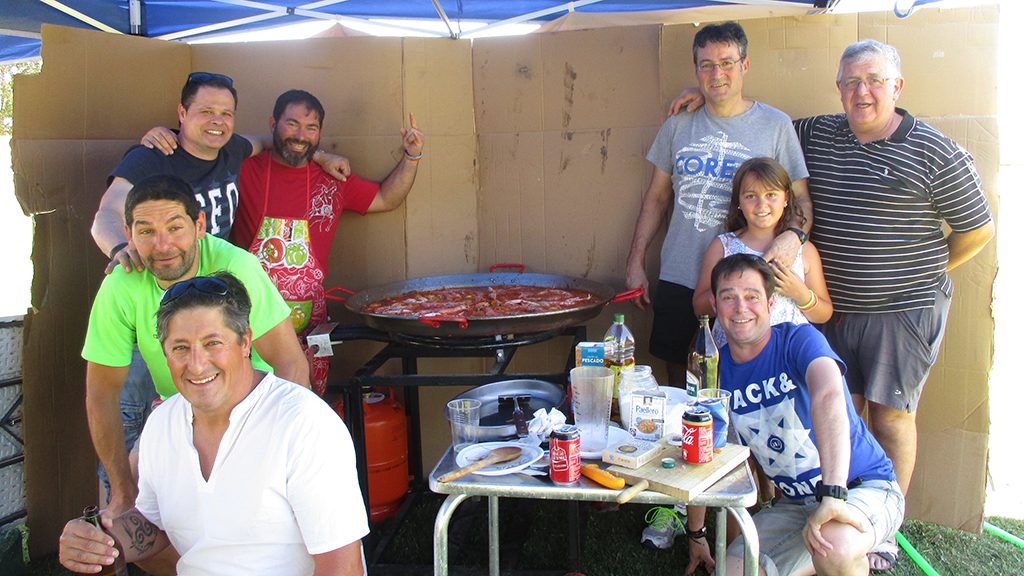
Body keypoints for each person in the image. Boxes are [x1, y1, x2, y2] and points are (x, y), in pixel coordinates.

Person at [670, 39, 994, 571]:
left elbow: (978, 231)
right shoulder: (818, 132)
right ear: (839, 87)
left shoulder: (936, 151)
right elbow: (759, 126)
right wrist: (708, 96)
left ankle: (875, 531)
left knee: (888, 415)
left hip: (900, 306)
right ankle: (811, 511)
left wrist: (923, 272)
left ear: (897, 86)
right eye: (850, 82)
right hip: (837, 310)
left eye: (874, 81)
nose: (861, 92)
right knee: (831, 408)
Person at [627, 21, 811, 551]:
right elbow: (656, 198)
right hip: (683, 275)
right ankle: (678, 500)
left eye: (728, 62)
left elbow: (801, 200)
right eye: (706, 64)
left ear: (745, 65)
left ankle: (758, 498)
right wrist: (636, 260)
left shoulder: (775, 124)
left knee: (756, 390)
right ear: (695, 69)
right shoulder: (679, 124)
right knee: (681, 392)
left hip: (749, 291)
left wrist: (793, 238)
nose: (717, 74)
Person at [61, 273, 368, 576]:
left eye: (212, 343)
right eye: (180, 347)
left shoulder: (304, 424)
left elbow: (343, 568)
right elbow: (155, 523)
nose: (196, 364)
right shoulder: (161, 424)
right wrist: (97, 542)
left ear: (245, 342)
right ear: (165, 353)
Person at [81, 174, 308, 525]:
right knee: (132, 502)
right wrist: (123, 491)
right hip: (180, 414)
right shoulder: (121, 285)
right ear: (128, 235)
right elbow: (101, 394)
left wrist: (286, 449)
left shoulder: (237, 267)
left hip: (254, 411)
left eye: (175, 228)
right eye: (146, 231)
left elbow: (291, 364)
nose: (163, 245)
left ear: (200, 225)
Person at [683, 254, 903, 576]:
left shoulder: (798, 340)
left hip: (860, 487)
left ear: (771, 302)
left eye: (752, 296)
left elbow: (828, 395)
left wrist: (833, 495)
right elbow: (708, 455)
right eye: (729, 297)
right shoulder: (718, 374)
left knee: (834, 548)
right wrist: (696, 533)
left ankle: (860, 547)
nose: (741, 307)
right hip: (795, 505)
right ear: (715, 305)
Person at [229, 89, 424, 395]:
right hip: (249, 324)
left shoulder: (332, 180)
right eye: (292, 124)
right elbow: (211, 145)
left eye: (311, 128)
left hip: (309, 327)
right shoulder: (242, 168)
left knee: (305, 408)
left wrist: (412, 156)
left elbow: (386, 198)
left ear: (320, 133)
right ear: (272, 124)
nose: (301, 136)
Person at [692, 157, 832, 349]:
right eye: (751, 196)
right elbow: (699, 308)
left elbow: (824, 314)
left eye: (771, 194)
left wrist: (801, 294)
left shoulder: (804, 250)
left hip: (788, 353)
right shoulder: (722, 246)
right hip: (733, 353)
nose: (761, 204)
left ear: (786, 198)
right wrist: (732, 289)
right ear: (738, 201)